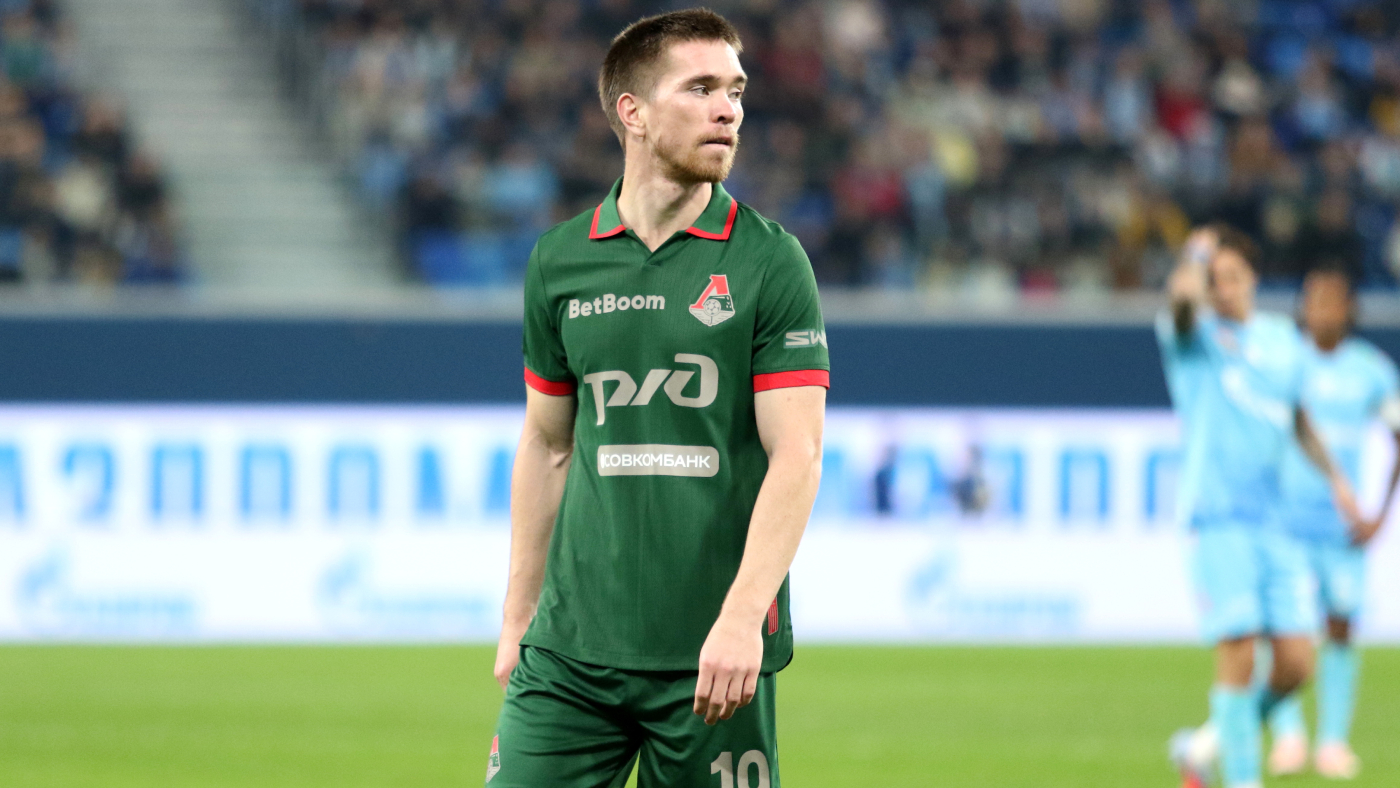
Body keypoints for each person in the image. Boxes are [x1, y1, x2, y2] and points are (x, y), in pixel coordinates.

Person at [488, 9, 829, 788]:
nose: (728, 110)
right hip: (568, 653)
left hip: (712, 655)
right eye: (701, 88)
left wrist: (741, 619)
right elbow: (547, 445)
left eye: (736, 91)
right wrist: (517, 617)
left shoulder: (771, 263)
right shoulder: (560, 261)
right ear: (632, 113)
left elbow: (798, 454)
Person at [1160, 225, 1360, 788]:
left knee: (1297, 663)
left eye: (1231, 277)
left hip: (1276, 523)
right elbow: (1181, 301)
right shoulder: (1194, 336)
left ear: (1252, 279)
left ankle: (1204, 746)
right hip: (1218, 518)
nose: (1221, 288)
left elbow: (1298, 419)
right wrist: (1195, 253)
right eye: (1213, 279)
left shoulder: (1281, 343)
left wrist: (1337, 479)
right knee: (1241, 651)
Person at [1264, 265, 1400, 780]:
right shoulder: (1282, 363)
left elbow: (1398, 439)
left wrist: (1381, 514)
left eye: (1331, 301)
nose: (1320, 311)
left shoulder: (1371, 370)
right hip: (1283, 521)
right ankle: (1289, 737)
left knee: (1340, 627)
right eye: (1312, 300)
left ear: (1349, 310)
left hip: (1340, 528)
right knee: (1281, 630)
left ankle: (1333, 743)